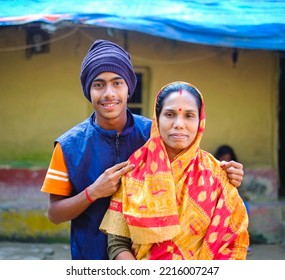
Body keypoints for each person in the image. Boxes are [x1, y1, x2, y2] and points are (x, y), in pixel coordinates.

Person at [41, 39, 244, 260]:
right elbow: (54, 214)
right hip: (91, 258)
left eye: (117, 83)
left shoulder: (156, 134)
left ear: (129, 88)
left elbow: (191, 169)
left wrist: (226, 173)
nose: (109, 93)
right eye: (98, 84)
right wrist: (94, 192)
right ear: (88, 91)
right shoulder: (69, 146)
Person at [100, 81, 249, 260]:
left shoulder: (217, 174)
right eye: (170, 114)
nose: (179, 124)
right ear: (157, 118)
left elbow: (230, 244)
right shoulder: (134, 170)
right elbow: (117, 243)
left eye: (189, 115)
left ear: (200, 120)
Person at [214, 144, 252, 255]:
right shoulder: (213, 166)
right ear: (219, 158)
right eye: (223, 158)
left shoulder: (236, 169)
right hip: (217, 199)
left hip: (233, 199)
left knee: (244, 208)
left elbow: (240, 190)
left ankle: (241, 241)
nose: (225, 161)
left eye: (228, 159)